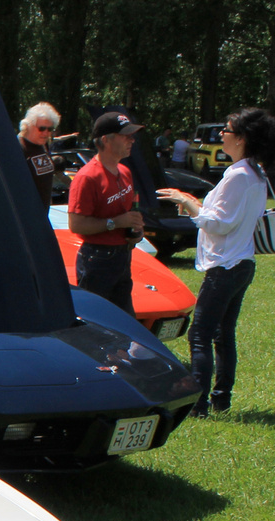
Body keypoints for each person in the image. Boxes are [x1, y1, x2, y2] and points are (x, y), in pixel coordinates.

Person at [159, 107, 275, 416]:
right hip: (242, 263)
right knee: (224, 334)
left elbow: (218, 223)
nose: (221, 134)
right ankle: (221, 398)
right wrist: (194, 202)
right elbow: (228, 218)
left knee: (200, 335)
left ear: (242, 138)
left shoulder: (238, 175)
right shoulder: (255, 172)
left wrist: (186, 203)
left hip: (225, 266)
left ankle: (197, 405)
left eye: (226, 130)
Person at [67, 111, 145, 313]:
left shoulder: (125, 172)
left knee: (124, 324)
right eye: (125, 135)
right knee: (96, 322)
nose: (132, 140)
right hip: (97, 259)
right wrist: (116, 223)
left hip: (122, 256)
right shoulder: (87, 177)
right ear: (105, 140)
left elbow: (127, 214)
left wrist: (135, 230)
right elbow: (76, 224)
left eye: (132, 135)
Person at [18, 102, 59, 207]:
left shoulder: (43, 146)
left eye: (49, 129)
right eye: (41, 128)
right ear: (28, 125)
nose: (46, 133)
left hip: (43, 213)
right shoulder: (19, 147)